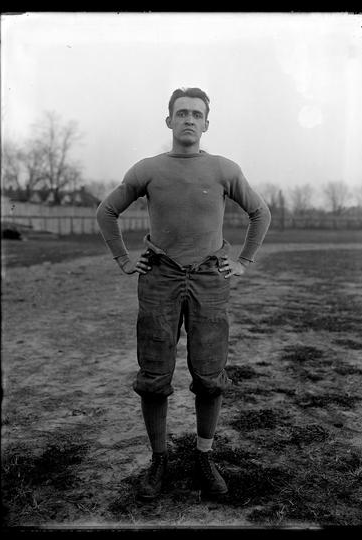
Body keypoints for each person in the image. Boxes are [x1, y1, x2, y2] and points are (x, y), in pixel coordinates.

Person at [96, 87, 271, 501]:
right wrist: (123, 259)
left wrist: (243, 260)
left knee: (210, 378)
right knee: (154, 379)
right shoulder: (148, 168)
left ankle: (203, 456)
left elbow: (260, 213)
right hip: (160, 278)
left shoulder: (224, 169)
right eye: (182, 113)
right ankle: (159, 461)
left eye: (197, 114)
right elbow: (106, 211)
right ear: (169, 121)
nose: (189, 119)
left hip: (210, 278)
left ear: (207, 123)